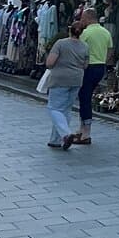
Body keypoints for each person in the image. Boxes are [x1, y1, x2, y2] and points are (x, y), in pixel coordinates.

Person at [45, 22, 88, 150]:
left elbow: (50, 63)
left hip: (60, 78)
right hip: (76, 79)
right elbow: (85, 65)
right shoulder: (85, 46)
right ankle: (55, 140)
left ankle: (66, 134)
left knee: (54, 108)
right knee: (65, 110)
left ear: (70, 30)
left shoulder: (60, 43)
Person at [74, 7, 112, 144]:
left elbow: (79, 50)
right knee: (85, 96)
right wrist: (103, 62)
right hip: (100, 67)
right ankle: (81, 128)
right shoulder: (106, 32)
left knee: (84, 98)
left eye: (83, 18)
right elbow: (110, 51)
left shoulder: (86, 33)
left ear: (89, 18)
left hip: (88, 67)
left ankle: (86, 132)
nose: (81, 20)